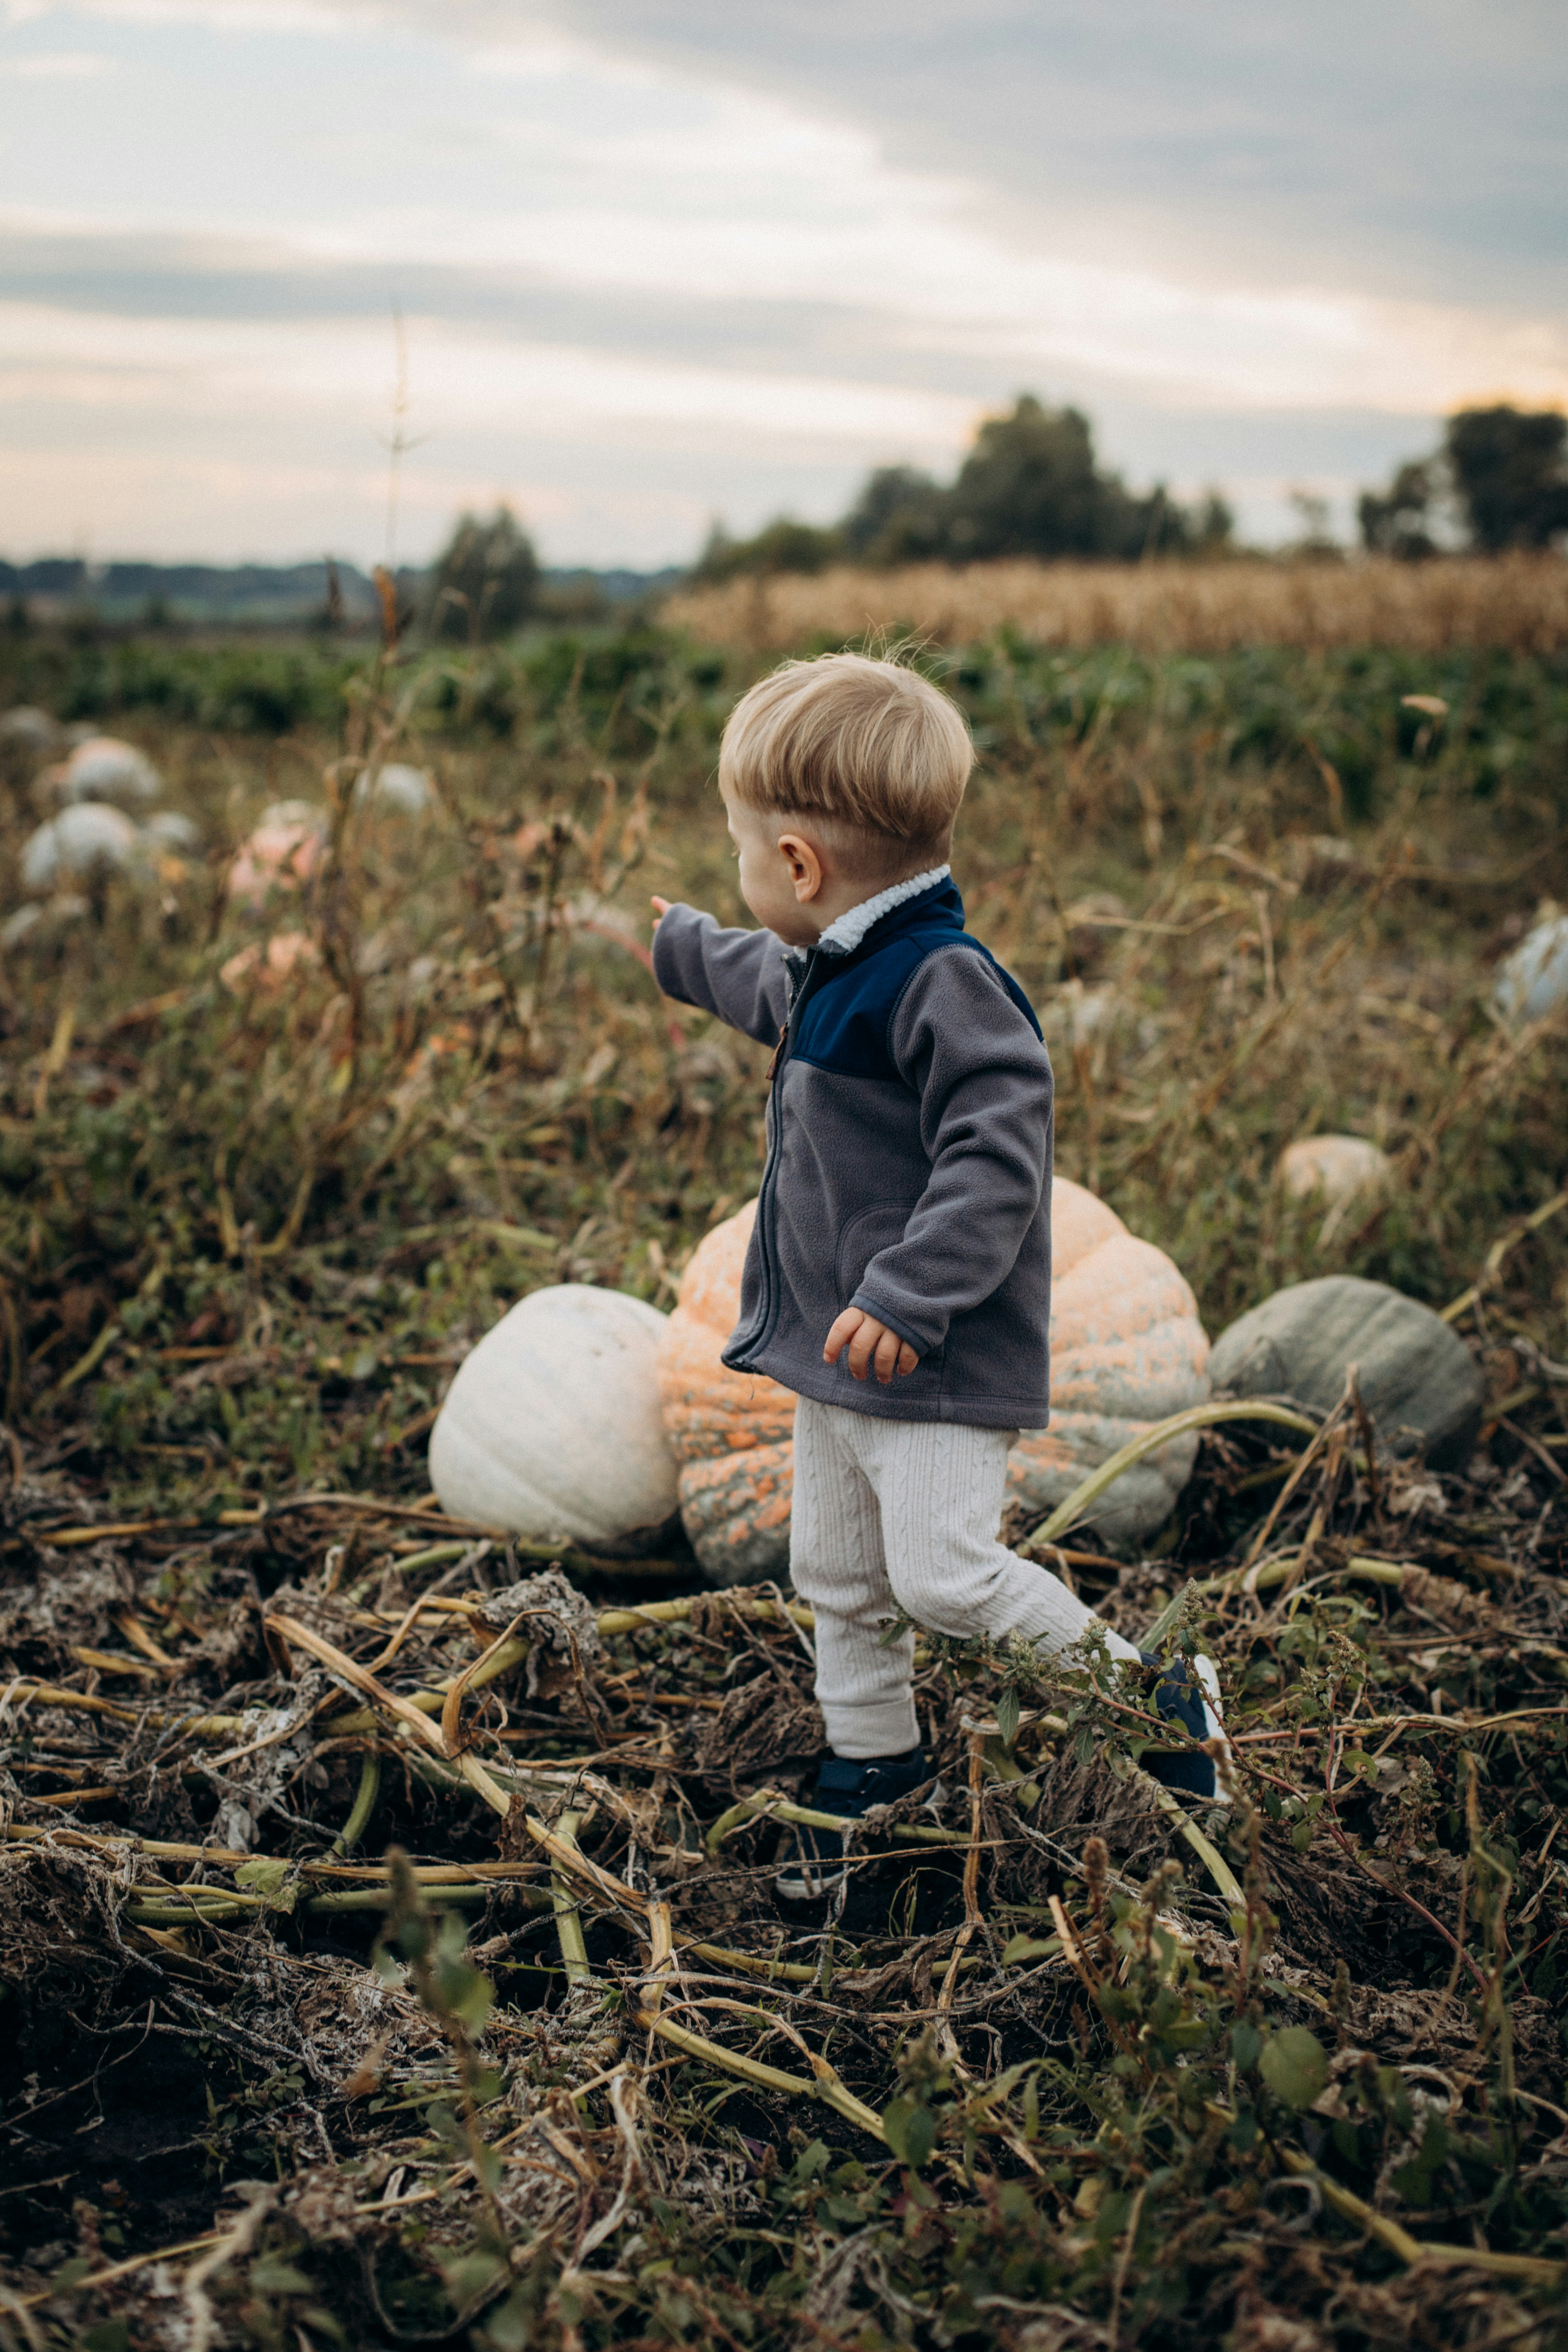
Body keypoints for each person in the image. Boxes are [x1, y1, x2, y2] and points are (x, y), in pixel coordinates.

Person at [651, 652, 1224, 1897]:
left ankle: (1156, 1695)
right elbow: (765, 980)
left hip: (931, 1355)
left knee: (945, 1575)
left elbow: (998, 1159)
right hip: (835, 1350)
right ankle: (876, 1759)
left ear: (798, 867)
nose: (741, 881)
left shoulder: (946, 986)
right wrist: (683, 948)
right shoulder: (835, 966)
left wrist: (910, 1294)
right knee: (840, 1575)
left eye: (742, 854)